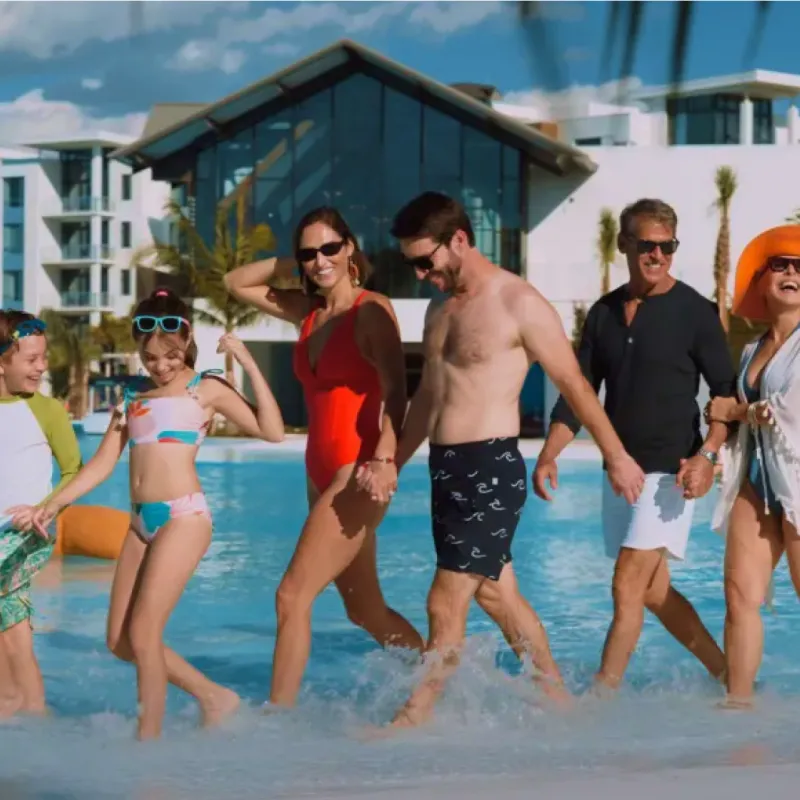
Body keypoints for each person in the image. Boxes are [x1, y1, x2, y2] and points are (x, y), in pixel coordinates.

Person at [358, 191, 645, 730]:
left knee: (444, 602)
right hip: (446, 468)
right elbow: (427, 399)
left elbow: (574, 384)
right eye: (412, 264)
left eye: (426, 260)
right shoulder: (440, 306)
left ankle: (410, 722)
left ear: (460, 240)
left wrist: (616, 456)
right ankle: (561, 706)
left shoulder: (518, 302)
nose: (422, 274)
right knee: (496, 593)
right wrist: (393, 459)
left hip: (490, 466)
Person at [31, 288, 285, 740]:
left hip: (183, 517)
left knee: (145, 632)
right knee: (120, 641)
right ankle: (214, 697)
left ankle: (147, 746)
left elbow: (273, 431)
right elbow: (103, 463)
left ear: (186, 341)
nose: (161, 365)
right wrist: (53, 504)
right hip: (139, 523)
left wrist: (246, 362)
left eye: (169, 355)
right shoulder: (133, 394)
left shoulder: (205, 388)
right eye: (150, 357)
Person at [224, 207, 423, 709]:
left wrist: (384, 460)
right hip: (319, 474)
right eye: (308, 253)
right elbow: (236, 282)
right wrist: (292, 266)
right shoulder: (309, 315)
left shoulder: (370, 310)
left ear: (350, 248)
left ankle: (277, 722)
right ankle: (435, 677)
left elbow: (398, 391)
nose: (320, 261)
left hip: (355, 472)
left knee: (291, 597)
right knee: (364, 610)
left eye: (330, 249)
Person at [534, 198, 733, 693]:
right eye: (648, 245)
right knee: (653, 591)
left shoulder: (695, 312)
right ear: (625, 245)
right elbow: (579, 394)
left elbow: (727, 397)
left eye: (668, 246)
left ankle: (602, 697)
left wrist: (707, 456)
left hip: (671, 470)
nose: (658, 255)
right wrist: (549, 453)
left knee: (626, 585)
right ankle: (728, 673)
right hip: (620, 473)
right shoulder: (602, 314)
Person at [707, 225, 800, 708]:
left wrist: (731, 410)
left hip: (799, 484)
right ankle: (737, 707)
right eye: (780, 265)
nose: (791, 273)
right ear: (763, 281)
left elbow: (784, 408)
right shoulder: (749, 350)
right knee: (739, 594)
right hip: (758, 478)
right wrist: (724, 420)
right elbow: (737, 412)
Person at [0, 311, 81, 718]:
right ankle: (23, 708)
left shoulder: (46, 410)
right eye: (31, 360)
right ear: (2, 362)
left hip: (30, 532)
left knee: (10, 625)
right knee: (10, 628)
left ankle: (22, 706)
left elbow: (74, 470)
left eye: (43, 357)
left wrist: (43, 510)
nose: (42, 367)